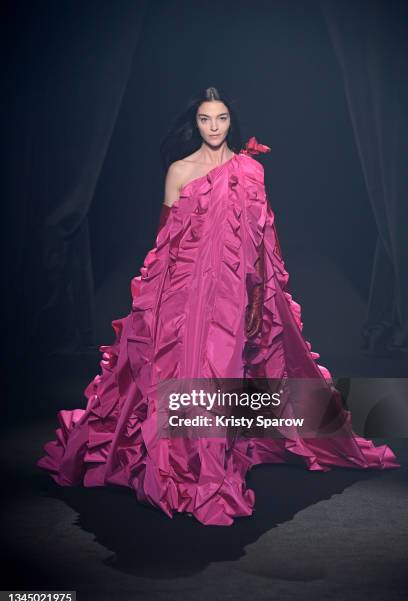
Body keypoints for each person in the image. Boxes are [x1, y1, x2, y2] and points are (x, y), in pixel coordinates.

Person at [37, 86, 400, 526]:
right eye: (205, 119)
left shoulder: (249, 169)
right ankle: (188, 471)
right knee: (186, 369)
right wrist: (152, 301)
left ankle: (212, 463)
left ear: (231, 122)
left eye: (221, 118)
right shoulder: (179, 171)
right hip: (183, 290)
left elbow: (264, 239)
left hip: (233, 289)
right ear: (195, 124)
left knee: (229, 367)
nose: (213, 127)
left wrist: (261, 295)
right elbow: (164, 241)